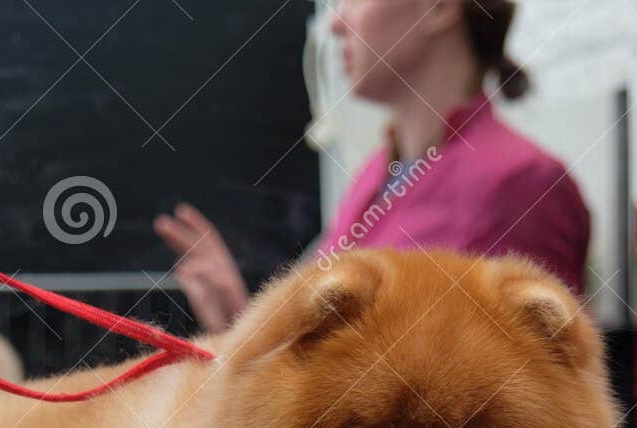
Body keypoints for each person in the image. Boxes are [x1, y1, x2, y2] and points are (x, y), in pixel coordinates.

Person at [155, 0, 591, 333]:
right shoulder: (375, 176)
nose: (336, 23)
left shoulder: (523, 185)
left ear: (439, 8)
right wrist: (241, 326)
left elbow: (521, 414)